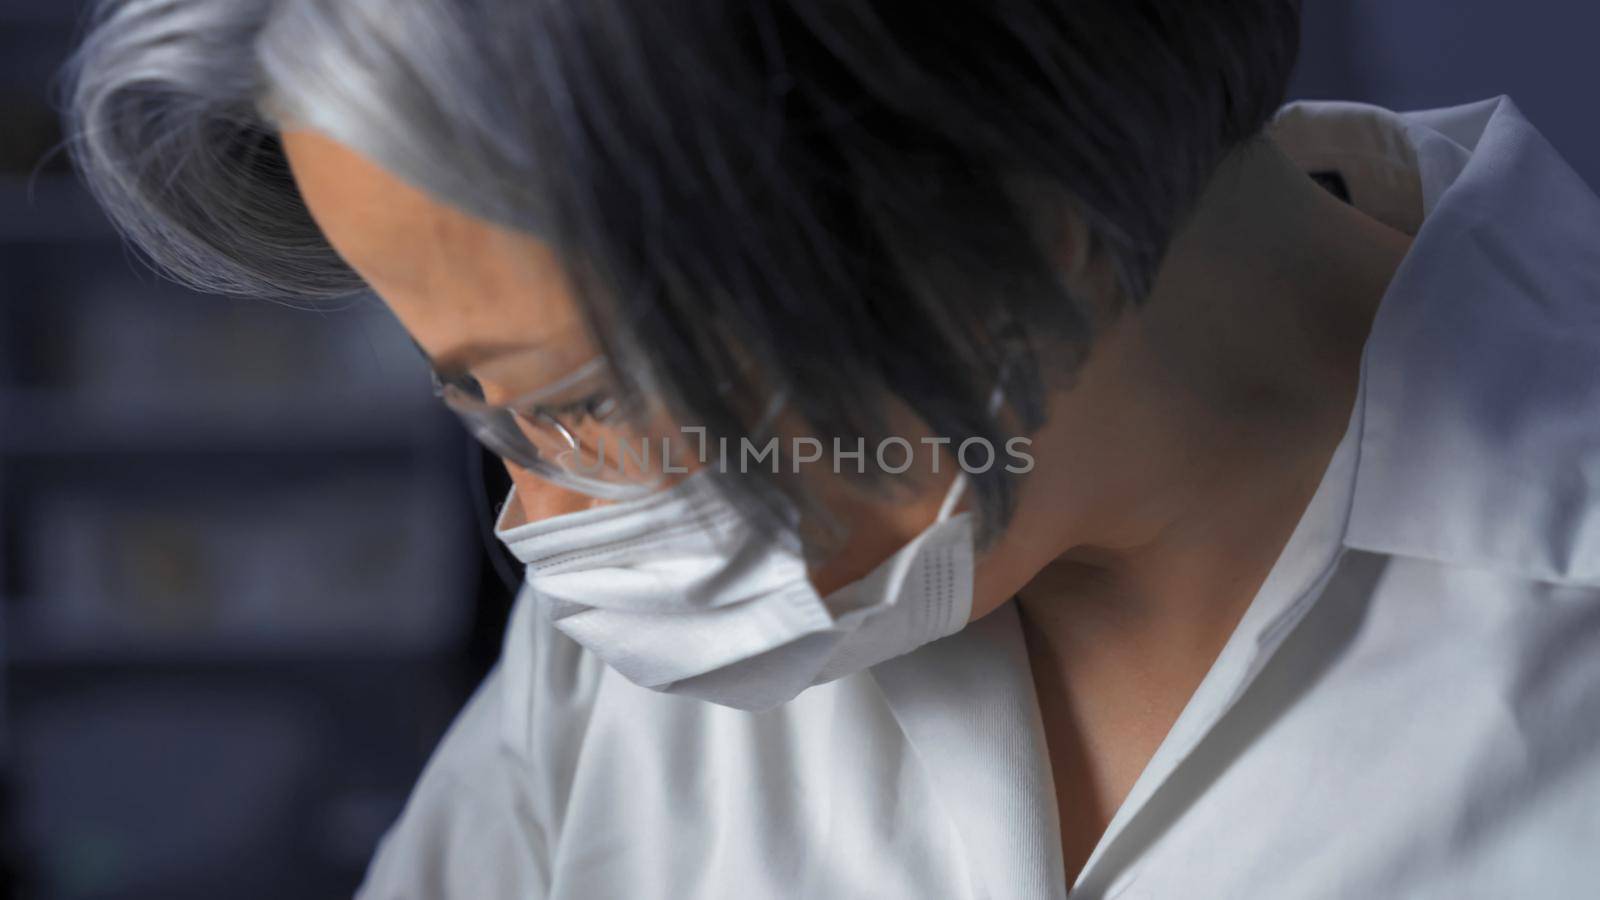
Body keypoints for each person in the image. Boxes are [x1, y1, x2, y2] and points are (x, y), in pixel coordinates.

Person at [62, 1, 1600, 897]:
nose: (544, 516)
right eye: (485, 411)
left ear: (1007, 232)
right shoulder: (666, 636)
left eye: (580, 397)